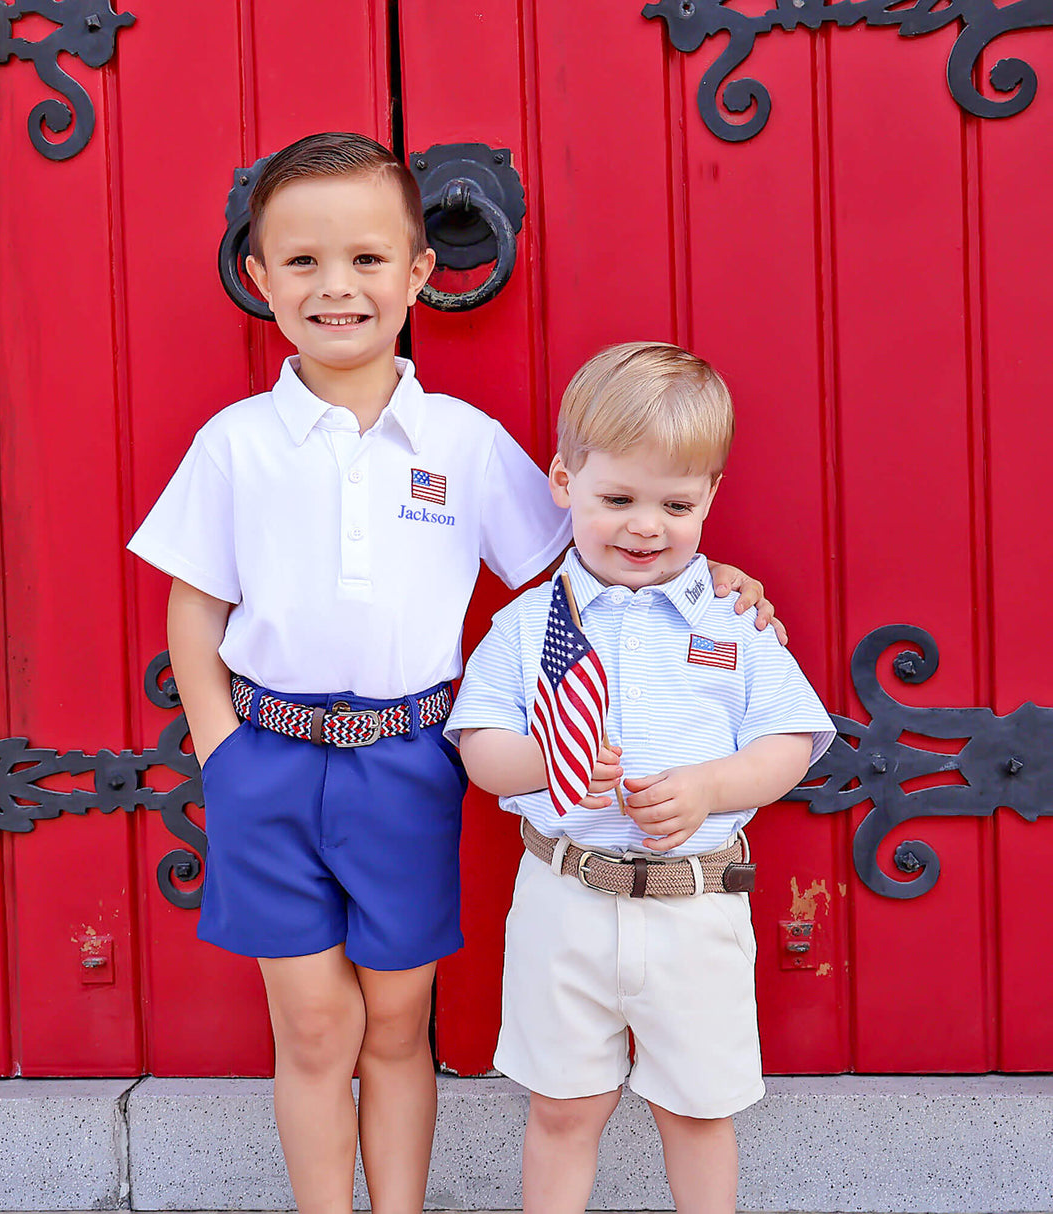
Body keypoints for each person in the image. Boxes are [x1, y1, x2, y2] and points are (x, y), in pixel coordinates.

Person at [128, 135, 778, 1214]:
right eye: (302, 262)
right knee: (313, 1025)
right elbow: (195, 604)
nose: (336, 286)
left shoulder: (461, 442)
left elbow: (582, 562)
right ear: (259, 278)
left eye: (367, 259)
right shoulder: (237, 443)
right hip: (266, 762)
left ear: (420, 271)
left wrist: (710, 580)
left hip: (405, 762)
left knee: (394, 1022)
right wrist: (220, 753)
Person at [446, 341, 836, 1214]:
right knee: (561, 1109)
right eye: (617, 499)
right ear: (564, 482)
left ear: (709, 499)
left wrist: (710, 788)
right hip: (565, 900)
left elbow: (787, 743)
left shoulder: (732, 621)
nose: (645, 526)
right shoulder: (528, 625)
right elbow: (480, 748)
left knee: (698, 1111)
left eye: (675, 504)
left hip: (693, 906)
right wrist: (549, 760)